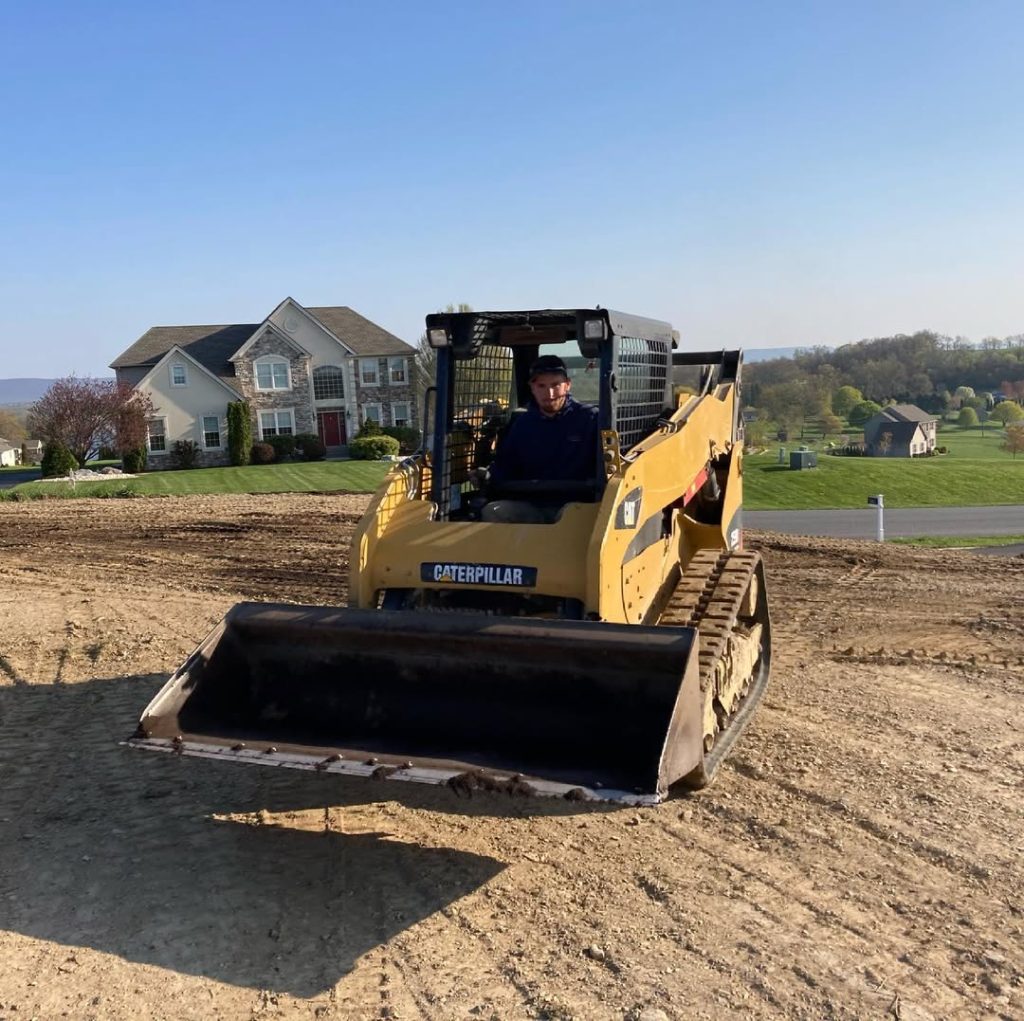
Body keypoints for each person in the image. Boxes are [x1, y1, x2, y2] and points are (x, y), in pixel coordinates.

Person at [482, 355, 599, 523]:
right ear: (532, 387)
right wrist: (487, 475)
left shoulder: (590, 419)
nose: (549, 393)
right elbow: (506, 464)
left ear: (567, 385)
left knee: (571, 515)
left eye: (555, 385)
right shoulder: (522, 425)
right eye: (541, 386)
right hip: (532, 505)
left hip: (576, 506)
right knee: (493, 511)